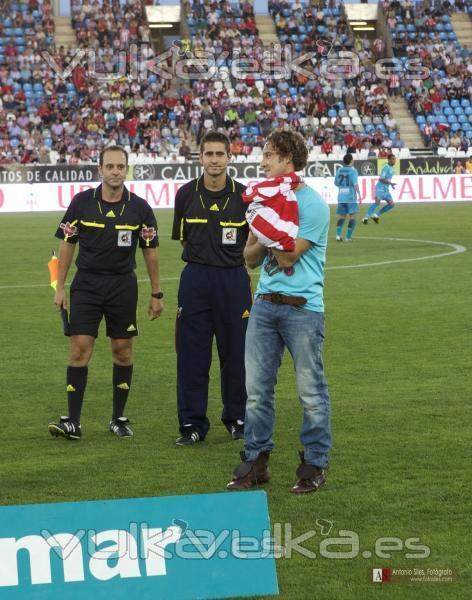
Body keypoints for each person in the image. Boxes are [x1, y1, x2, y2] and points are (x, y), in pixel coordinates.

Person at [226, 130, 332, 494]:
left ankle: (314, 464)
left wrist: (267, 230)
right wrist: (266, 227)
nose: (263, 161)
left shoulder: (313, 205)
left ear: (288, 158)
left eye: (269, 155)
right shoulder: (267, 203)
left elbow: (287, 256)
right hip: (265, 306)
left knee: (310, 392)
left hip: (303, 311)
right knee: (256, 391)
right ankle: (257, 462)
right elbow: (249, 258)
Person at [48, 146, 163, 440]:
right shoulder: (81, 203)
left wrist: (157, 293)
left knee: (122, 351)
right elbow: (67, 244)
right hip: (86, 285)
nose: (115, 171)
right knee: (79, 349)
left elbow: (150, 252)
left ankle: (118, 419)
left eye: (120, 166)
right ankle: (72, 422)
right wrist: (60, 287)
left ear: (126, 169)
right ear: (99, 169)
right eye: (109, 166)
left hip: (123, 287)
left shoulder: (140, 208)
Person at [171, 131, 252, 446]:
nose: (215, 160)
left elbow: (254, 240)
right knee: (192, 356)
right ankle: (192, 423)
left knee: (236, 354)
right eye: (209, 154)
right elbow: (183, 237)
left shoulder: (245, 196)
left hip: (233, 280)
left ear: (230, 157)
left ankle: (237, 418)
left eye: (221, 154)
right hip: (195, 280)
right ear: (201, 158)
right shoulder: (185, 194)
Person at [334, 153, 362, 242]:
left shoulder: (339, 170)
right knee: (352, 216)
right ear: (351, 161)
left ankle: (338, 235)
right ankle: (348, 237)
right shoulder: (353, 171)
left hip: (341, 197)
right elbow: (355, 184)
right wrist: (360, 194)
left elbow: (336, 183)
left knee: (342, 216)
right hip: (350, 197)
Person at [362, 153, 397, 224]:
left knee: (391, 204)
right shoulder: (386, 167)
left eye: (395, 159)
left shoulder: (391, 168)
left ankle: (376, 215)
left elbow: (388, 179)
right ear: (389, 159)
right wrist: (390, 183)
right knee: (377, 202)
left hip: (386, 189)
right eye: (393, 159)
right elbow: (381, 179)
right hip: (380, 188)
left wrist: (391, 185)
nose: (394, 160)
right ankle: (365, 217)